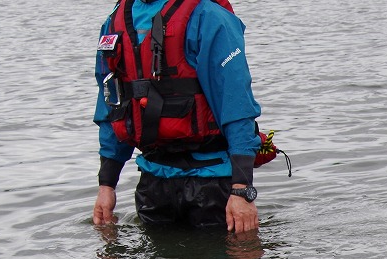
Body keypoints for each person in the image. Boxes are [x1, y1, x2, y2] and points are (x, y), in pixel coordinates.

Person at [92, 0, 264, 234]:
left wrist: (242, 189)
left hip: (212, 182)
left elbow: (237, 104)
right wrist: (107, 184)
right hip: (153, 182)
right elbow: (112, 105)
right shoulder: (115, 21)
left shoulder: (208, 16)